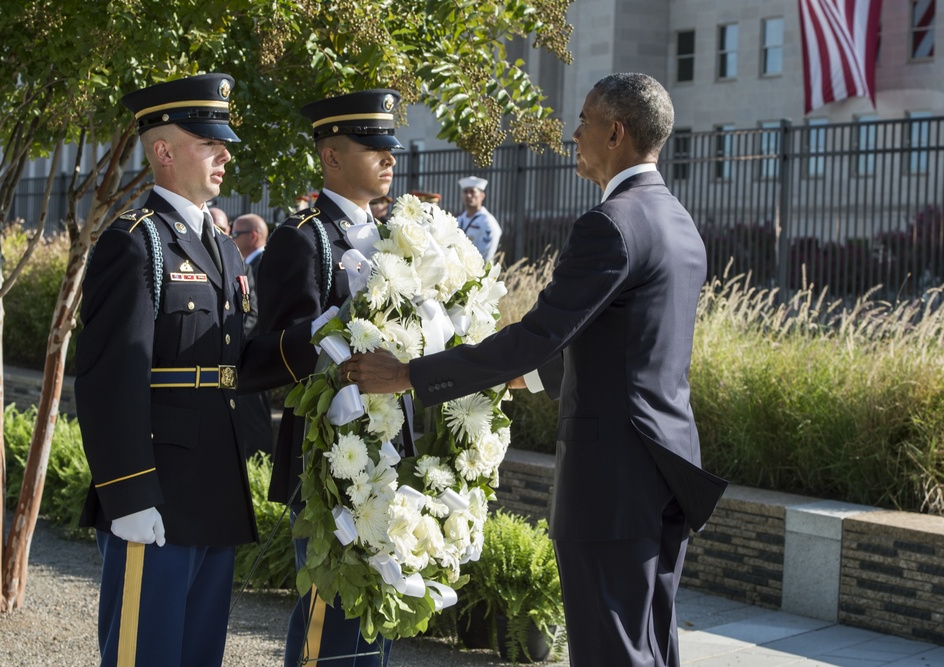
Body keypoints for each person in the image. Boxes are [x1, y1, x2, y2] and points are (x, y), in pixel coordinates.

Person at [343, 73, 728, 667]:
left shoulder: (611, 224)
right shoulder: (680, 222)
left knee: (612, 653)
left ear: (616, 132)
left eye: (584, 120)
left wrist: (408, 375)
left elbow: (535, 336)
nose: (573, 134)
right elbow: (623, 342)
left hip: (611, 480)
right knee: (650, 643)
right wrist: (534, 378)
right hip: (665, 468)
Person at [74, 73, 287, 667]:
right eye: (207, 142)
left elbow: (238, 360)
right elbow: (107, 377)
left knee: (198, 656)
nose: (224, 153)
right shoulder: (135, 242)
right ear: (164, 151)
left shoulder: (221, 246)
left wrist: (321, 339)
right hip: (157, 492)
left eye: (223, 142)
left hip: (214, 487)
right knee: (147, 656)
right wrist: (128, 492)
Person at [239, 89, 407, 667]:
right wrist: (330, 331)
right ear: (332, 157)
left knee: (375, 623)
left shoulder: (394, 236)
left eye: (391, 148)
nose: (389, 158)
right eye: (373, 147)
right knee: (328, 623)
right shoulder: (303, 237)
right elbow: (266, 356)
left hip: (387, 451)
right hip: (326, 460)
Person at [231, 213, 274, 459]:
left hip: (254, 356)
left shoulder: (261, 265)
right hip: (249, 356)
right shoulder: (243, 263)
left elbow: (254, 312)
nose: (231, 238)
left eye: (235, 233)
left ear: (253, 236)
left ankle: (260, 470)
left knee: (256, 429)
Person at [455, 176, 502, 263]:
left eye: (472, 191)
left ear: (482, 195)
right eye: (465, 192)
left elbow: (486, 256)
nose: (468, 195)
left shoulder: (488, 222)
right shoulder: (458, 220)